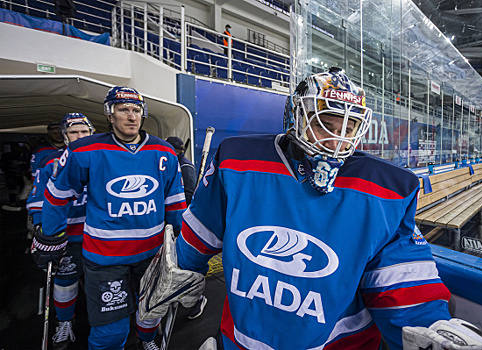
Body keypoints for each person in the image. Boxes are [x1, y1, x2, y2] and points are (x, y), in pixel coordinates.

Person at [175, 67, 453, 349]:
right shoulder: (237, 161)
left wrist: (433, 332)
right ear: (295, 118)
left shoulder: (388, 192)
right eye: (324, 125)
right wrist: (179, 271)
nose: (336, 142)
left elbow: (405, 291)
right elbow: (200, 232)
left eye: (348, 128)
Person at [33, 87, 187, 350]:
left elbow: (175, 203)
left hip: (152, 255)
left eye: (136, 110)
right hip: (105, 258)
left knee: (151, 312)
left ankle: (147, 341)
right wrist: (50, 234)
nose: (131, 116)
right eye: (123, 110)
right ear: (110, 115)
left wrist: (183, 246)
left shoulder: (164, 152)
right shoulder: (85, 150)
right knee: (110, 333)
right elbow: (58, 196)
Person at [27, 113, 95, 350]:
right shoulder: (49, 162)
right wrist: (41, 230)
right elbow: (38, 199)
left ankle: (103, 324)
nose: (79, 137)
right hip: (67, 237)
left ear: (91, 134)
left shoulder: (101, 158)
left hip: (98, 235)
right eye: (74, 132)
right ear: (65, 137)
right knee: (65, 281)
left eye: (84, 132)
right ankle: (65, 322)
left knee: (103, 284)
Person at [165, 136, 207, 319]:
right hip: (168, 224)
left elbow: (189, 195)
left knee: (186, 265)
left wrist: (180, 223)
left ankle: (197, 298)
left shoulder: (186, 167)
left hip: (182, 224)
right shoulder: (169, 164)